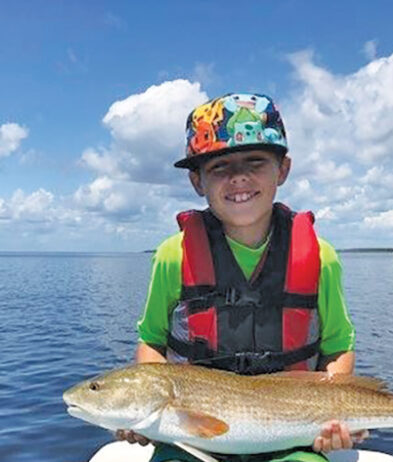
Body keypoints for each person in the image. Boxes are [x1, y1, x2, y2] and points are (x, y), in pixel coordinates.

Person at [117, 93, 367, 462]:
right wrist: (143, 411)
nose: (238, 178)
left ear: (282, 170)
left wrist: (337, 416)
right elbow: (151, 341)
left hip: (291, 441)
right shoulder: (174, 254)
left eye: (255, 162)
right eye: (219, 167)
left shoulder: (320, 257)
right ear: (196, 181)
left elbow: (338, 347)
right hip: (191, 439)